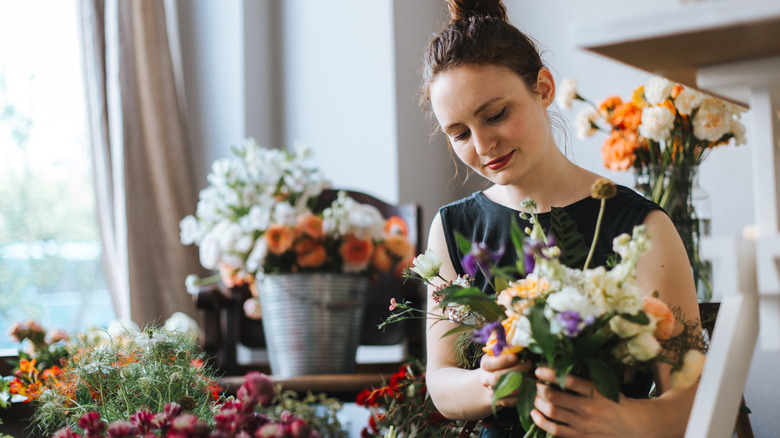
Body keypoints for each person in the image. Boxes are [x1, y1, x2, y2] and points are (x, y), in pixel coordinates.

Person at [420, 1, 702, 437]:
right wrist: (488, 381)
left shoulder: (640, 226)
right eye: (459, 133)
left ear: (544, 88)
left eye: (495, 114)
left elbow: (693, 396)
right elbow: (440, 382)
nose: (483, 144)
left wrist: (626, 420)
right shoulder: (453, 229)